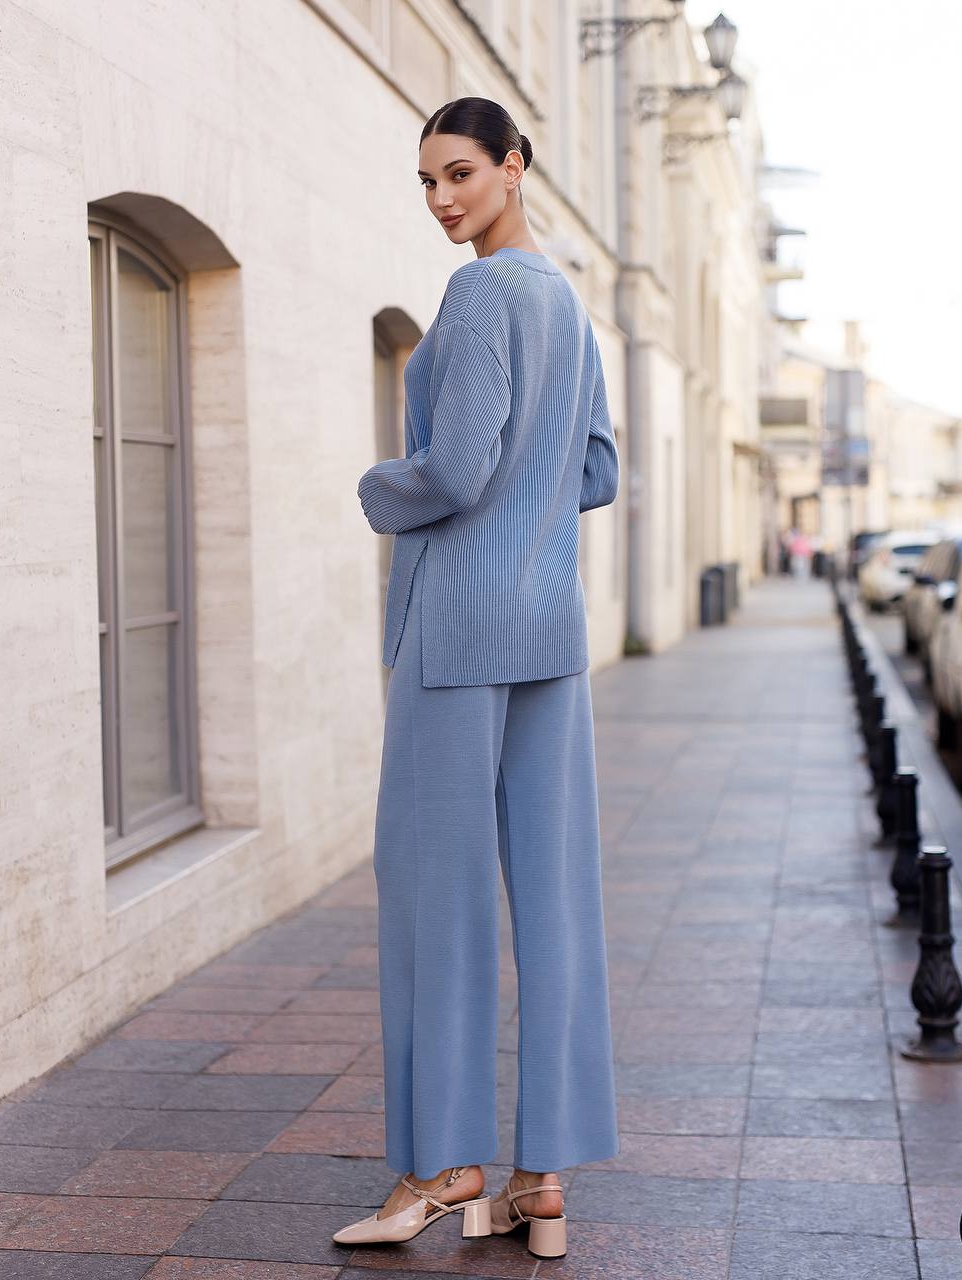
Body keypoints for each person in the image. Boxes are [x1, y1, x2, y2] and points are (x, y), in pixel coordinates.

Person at [335, 97, 620, 1259]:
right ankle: (539, 1181)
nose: (444, 197)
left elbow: (450, 467)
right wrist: (530, 515)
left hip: (458, 630)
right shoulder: (569, 303)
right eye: (426, 182)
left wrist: (377, 486)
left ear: (513, 165)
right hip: (549, 628)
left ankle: (442, 1165)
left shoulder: (480, 293)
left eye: (460, 172)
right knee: (554, 901)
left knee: (432, 896)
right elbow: (595, 471)